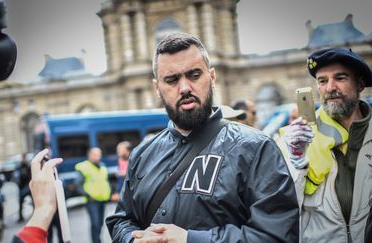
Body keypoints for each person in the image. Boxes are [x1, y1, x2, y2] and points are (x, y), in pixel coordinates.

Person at [106, 33, 299, 242]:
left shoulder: (257, 148)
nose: (185, 88)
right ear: (157, 88)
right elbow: (122, 220)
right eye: (172, 80)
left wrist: (191, 239)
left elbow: (277, 235)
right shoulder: (142, 154)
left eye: (195, 75)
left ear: (212, 77)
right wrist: (132, 240)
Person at [279, 47, 372, 242]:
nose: (330, 88)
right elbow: (283, 209)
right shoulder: (295, 140)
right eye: (322, 81)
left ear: (360, 84)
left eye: (341, 78)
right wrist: (295, 161)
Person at [12, 149, 62, 243]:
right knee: (48, 233)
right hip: (27, 189)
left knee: (60, 233)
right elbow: (19, 177)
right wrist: (43, 209)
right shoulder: (24, 167)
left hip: (56, 210)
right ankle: (20, 216)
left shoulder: (53, 171)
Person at [75, 147, 111, 243]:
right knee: (95, 224)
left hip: (102, 200)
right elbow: (78, 184)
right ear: (90, 155)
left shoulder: (102, 166)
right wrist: (87, 195)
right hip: (91, 201)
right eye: (95, 155)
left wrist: (110, 192)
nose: (98, 157)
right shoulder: (84, 167)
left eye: (99, 155)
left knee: (99, 224)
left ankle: (98, 240)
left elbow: (106, 181)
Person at [17, 153, 31, 222]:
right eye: (23, 158)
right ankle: (20, 217)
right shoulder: (20, 166)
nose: (24, 159)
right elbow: (18, 176)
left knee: (34, 201)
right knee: (20, 202)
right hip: (22, 187)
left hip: (28, 186)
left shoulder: (28, 166)